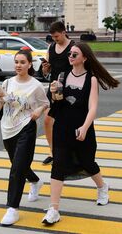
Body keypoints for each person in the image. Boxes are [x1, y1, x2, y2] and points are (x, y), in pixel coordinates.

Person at [42, 43, 120, 226]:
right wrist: (54, 93)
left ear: (84, 58)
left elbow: (93, 107)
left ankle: (102, 187)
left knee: (87, 162)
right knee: (58, 165)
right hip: (62, 127)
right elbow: (58, 102)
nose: (70, 56)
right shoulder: (63, 75)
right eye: (70, 54)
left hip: (82, 127)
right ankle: (54, 209)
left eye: (74, 54)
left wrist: (85, 127)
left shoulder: (91, 79)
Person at [0, 50, 50, 226]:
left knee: (17, 168)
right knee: (18, 164)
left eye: (22, 62)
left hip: (26, 127)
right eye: (16, 62)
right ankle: (35, 181)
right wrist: (0, 98)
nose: (18, 65)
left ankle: (12, 209)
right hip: (7, 128)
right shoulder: (7, 82)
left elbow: (46, 103)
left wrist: (38, 111)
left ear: (29, 64)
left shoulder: (36, 85)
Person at [41, 21, 75, 165]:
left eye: (56, 36)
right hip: (54, 88)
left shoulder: (73, 47)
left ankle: (70, 152)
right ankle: (52, 151)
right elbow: (46, 71)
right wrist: (45, 68)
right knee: (48, 120)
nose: (55, 39)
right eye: (52, 37)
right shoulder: (51, 47)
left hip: (69, 89)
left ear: (63, 32)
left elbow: (80, 68)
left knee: (68, 122)